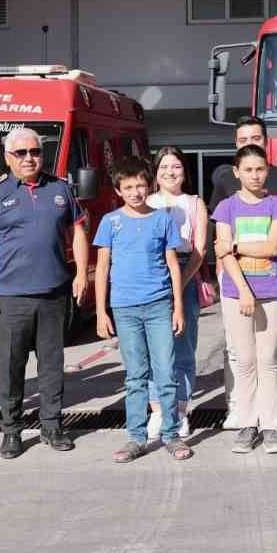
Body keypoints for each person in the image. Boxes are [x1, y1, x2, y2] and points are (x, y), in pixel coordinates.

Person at [0, 126, 90, 460]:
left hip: (54, 294)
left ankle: (52, 426)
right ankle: (11, 431)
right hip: (11, 297)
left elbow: (78, 231)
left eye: (35, 152)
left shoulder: (61, 190)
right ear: (8, 157)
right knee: (11, 367)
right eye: (20, 153)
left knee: (52, 365)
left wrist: (80, 273)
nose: (29, 158)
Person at [95, 156, 190, 464]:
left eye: (140, 185)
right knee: (136, 376)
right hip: (124, 308)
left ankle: (171, 435)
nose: (135, 192)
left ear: (149, 185)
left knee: (165, 372)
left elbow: (173, 265)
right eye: (128, 187)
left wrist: (177, 307)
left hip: (159, 305)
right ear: (118, 190)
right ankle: (136, 438)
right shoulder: (111, 221)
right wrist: (100, 311)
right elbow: (103, 267)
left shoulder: (162, 219)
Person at [211, 116, 277, 429]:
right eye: (242, 138)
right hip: (237, 283)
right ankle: (242, 414)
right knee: (241, 356)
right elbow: (219, 242)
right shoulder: (225, 190)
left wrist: (235, 246)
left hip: (274, 279)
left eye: (255, 137)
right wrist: (228, 264)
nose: (254, 174)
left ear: (266, 141)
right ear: (237, 170)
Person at [147, 147, 206, 441]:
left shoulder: (194, 203)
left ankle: (181, 411)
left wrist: (180, 283)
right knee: (154, 350)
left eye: (176, 166)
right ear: (155, 172)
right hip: (151, 274)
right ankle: (158, 411)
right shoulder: (145, 202)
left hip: (186, 272)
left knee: (183, 348)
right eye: (164, 167)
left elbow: (199, 249)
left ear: (185, 171)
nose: (170, 172)